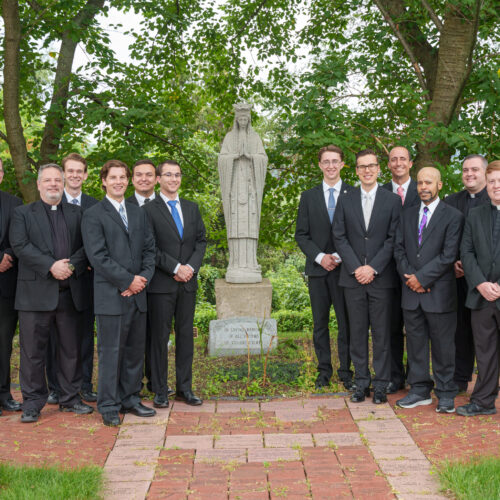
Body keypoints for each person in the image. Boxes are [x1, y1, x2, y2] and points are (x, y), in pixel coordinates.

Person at [10, 164, 93, 423]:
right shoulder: (22, 213)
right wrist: (51, 265)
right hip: (35, 295)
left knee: (71, 350)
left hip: (69, 293)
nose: (54, 184)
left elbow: (87, 247)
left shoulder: (78, 213)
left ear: (64, 182)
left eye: (58, 180)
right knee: (33, 352)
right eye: (48, 180)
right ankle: (33, 403)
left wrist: (70, 266)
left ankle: (70, 398)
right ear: (38, 184)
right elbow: (21, 245)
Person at [82, 160, 156, 426]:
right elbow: (97, 256)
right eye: (113, 177)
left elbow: (150, 250)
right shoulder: (93, 214)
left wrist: (142, 279)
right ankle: (109, 405)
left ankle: (131, 398)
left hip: (138, 295)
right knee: (111, 352)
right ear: (103, 181)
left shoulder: (138, 213)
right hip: (111, 295)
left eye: (123, 177)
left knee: (135, 351)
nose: (119, 182)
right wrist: (127, 281)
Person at [333, 149, 401, 404]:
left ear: (379, 169)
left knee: (382, 333)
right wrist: (356, 267)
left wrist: (372, 268)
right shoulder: (345, 198)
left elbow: (394, 239)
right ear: (356, 170)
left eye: (371, 166)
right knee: (357, 332)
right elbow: (339, 236)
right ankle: (361, 383)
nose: (367, 170)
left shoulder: (392, 200)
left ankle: (381, 384)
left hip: (381, 278)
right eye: (362, 167)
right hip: (352, 279)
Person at [394, 167, 464, 413]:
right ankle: (419, 390)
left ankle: (445, 393)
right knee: (415, 345)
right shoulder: (406, 214)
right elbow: (399, 250)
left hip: (440, 294)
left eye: (429, 182)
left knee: (444, 346)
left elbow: (449, 255)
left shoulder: (453, 216)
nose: (423, 187)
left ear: (439, 185)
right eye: (420, 182)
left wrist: (422, 278)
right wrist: (411, 279)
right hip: (410, 293)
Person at [144, 160, 207, 407]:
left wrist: (190, 267)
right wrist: (175, 267)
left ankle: (185, 388)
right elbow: (150, 247)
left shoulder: (191, 208)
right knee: (159, 338)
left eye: (177, 175)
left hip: (187, 284)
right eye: (168, 174)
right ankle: (160, 390)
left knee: (185, 337)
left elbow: (201, 241)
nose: (173, 179)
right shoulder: (148, 210)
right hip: (161, 284)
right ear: (158, 179)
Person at [295, 145, 354, 390]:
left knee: (346, 323)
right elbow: (302, 234)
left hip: (345, 269)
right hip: (318, 270)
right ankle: (323, 371)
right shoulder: (309, 197)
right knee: (320, 323)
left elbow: (358, 232)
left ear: (342, 164)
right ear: (320, 165)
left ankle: (346, 371)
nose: (331, 165)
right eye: (326, 161)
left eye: (335, 161)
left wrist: (339, 257)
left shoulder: (354, 194)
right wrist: (321, 257)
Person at [46, 153, 98, 405]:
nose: (75, 175)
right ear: (64, 174)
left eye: (80, 171)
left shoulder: (95, 205)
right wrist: (58, 266)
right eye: (71, 171)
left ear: (86, 175)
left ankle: (85, 385)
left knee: (85, 337)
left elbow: (96, 243)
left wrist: (76, 264)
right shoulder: (50, 200)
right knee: (54, 339)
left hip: (84, 282)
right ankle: (55, 387)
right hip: (52, 282)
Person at [457, 160, 500, 416]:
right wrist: (481, 283)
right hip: (482, 296)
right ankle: (483, 402)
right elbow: (467, 251)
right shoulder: (476, 214)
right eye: (492, 181)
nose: (496, 186)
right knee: (485, 352)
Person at [443, 154, 489, 392]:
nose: (469, 174)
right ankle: (460, 378)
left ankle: (489, 380)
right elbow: (441, 237)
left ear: (484, 172)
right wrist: (452, 263)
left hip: (487, 279)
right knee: (460, 329)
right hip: (458, 278)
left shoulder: (493, 200)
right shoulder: (450, 201)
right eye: (465, 170)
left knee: (486, 331)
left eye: (474, 170)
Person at [381, 146, 420, 394]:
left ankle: (418, 378)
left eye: (402, 159)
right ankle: (396, 377)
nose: (398, 163)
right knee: (391, 327)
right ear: (388, 165)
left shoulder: (423, 188)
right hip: (387, 271)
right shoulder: (380, 192)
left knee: (417, 328)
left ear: (410, 163)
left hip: (417, 272)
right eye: (393, 159)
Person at [218, 103, 267, 283]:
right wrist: (235, 156)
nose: (244, 121)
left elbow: (263, 158)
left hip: (250, 189)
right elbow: (222, 159)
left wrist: (252, 157)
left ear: (250, 119)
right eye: (241, 119)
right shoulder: (230, 137)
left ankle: (251, 263)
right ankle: (235, 263)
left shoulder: (255, 137)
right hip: (234, 188)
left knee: (250, 227)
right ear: (236, 120)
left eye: (246, 119)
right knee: (236, 227)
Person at [0, 159, 23, 415]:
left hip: (5, 286)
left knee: (4, 343)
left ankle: (4, 394)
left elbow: (17, 239)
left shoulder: (14, 204)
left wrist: (6, 255)